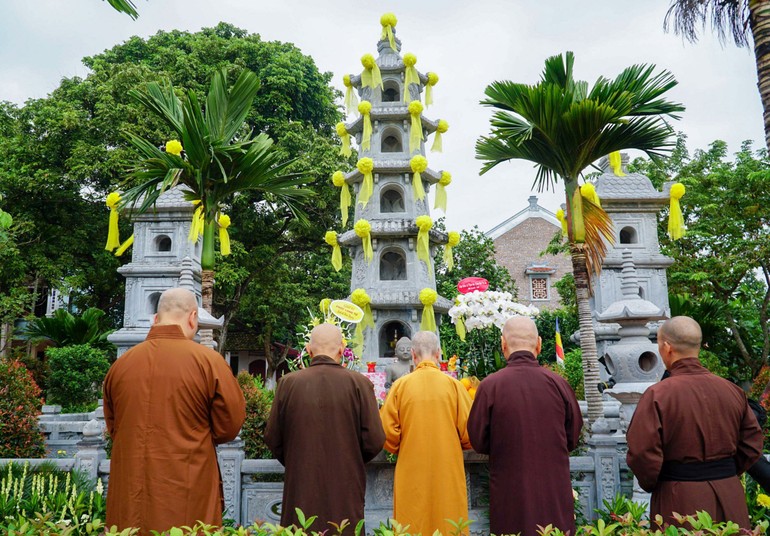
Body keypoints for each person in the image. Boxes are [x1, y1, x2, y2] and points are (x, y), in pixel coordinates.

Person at [103, 288, 246, 535]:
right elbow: (229, 427)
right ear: (193, 318)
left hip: (130, 486)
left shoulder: (121, 366)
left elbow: (114, 427)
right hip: (187, 483)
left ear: (155, 319)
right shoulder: (208, 362)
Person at [626, 316, 763, 528]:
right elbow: (752, 443)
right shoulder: (732, 391)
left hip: (678, 497)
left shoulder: (658, 394)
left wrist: (656, 483)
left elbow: (642, 453)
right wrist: (722, 471)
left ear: (667, 347)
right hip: (729, 494)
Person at [467, 316, 583, 536]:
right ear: (539, 344)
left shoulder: (490, 386)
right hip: (553, 489)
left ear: (503, 344)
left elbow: (478, 440)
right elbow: (573, 437)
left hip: (510, 491)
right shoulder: (559, 384)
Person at [265, 323, 385, 533]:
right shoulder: (359, 384)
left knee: (301, 527)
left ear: (309, 350)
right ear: (341, 350)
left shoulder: (287, 383)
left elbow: (273, 437)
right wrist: (350, 459)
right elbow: (375, 439)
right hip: (345, 485)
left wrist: (297, 460)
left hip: (301, 484)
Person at [380, 331, 473, 535]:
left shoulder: (400, 386)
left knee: (413, 523)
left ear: (413, 355)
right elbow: (469, 433)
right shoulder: (454, 386)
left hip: (411, 468)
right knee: (450, 521)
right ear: (439, 354)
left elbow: (387, 433)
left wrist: (401, 446)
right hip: (447, 468)